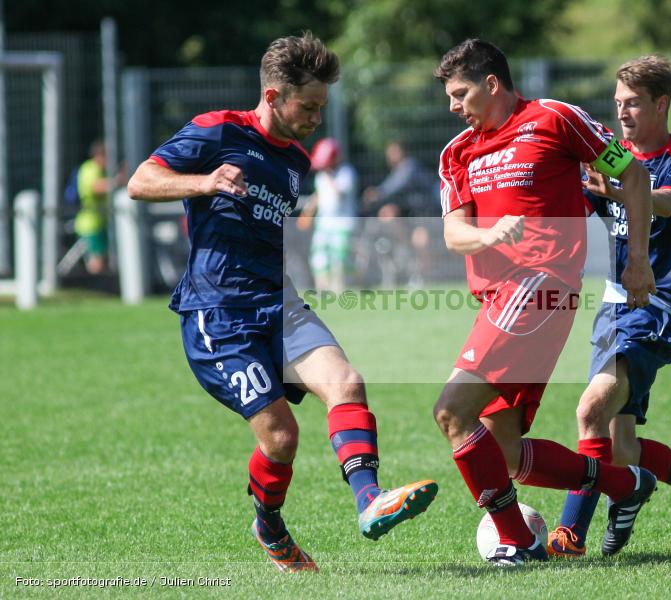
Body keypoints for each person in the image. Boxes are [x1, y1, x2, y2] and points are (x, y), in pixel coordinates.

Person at [126, 33, 437, 574]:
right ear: (273, 96)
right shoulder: (216, 130)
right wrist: (203, 182)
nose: (317, 117)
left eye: (322, 105)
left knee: (348, 383)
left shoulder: (296, 160)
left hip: (281, 303)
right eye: (309, 106)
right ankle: (269, 528)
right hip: (218, 315)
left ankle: (370, 502)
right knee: (281, 437)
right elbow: (139, 181)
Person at [431, 39, 657, 567]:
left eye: (460, 93)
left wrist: (639, 259)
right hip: (496, 301)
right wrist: (489, 237)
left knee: (450, 410)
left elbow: (634, 173)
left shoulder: (554, 118)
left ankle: (517, 540)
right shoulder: (456, 153)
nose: (452, 106)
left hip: (540, 288)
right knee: (503, 452)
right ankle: (625, 484)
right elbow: (453, 234)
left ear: (492, 83)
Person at [547, 56, 671, 559]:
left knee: (591, 408)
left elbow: (660, 202)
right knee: (622, 448)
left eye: (632, 103)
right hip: (609, 309)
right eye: (617, 104)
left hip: (652, 307)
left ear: (661, 104)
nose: (623, 114)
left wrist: (617, 188)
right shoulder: (613, 157)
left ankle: (569, 535)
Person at [359, 141, 439, 287]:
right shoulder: (397, 171)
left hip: (425, 216)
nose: (390, 157)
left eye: (394, 152)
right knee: (387, 214)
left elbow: (393, 186)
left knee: (420, 240)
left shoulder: (410, 167)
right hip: (409, 216)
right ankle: (403, 249)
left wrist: (377, 193)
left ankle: (424, 277)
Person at [304, 137, 359, 291]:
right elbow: (319, 195)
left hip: (342, 223)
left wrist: (329, 176)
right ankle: (322, 289)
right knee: (319, 258)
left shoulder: (346, 173)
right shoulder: (321, 177)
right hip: (323, 223)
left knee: (339, 259)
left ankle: (339, 289)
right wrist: (308, 211)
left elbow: (339, 193)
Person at [74, 139, 120, 274]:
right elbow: (96, 187)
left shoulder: (102, 170)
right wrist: (115, 182)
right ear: (99, 155)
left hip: (100, 224)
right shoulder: (90, 168)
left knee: (103, 260)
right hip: (90, 225)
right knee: (97, 262)